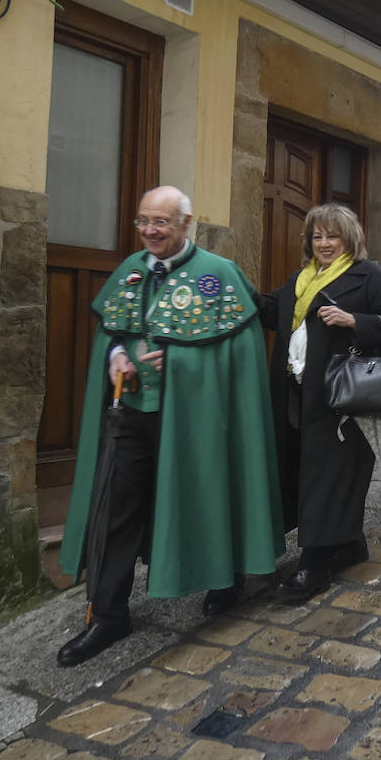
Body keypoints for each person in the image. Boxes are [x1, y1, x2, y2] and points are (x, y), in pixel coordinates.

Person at [57, 186, 284, 666]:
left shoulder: (220, 277)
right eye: (143, 221)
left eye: (160, 221)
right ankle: (109, 615)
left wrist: (178, 363)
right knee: (115, 509)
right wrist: (119, 356)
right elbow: (113, 333)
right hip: (133, 415)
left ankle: (227, 577)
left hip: (200, 419)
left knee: (209, 489)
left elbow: (236, 363)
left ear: (185, 223)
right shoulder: (130, 271)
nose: (150, 231)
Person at [254, 204, 381, 602]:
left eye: (331, 236)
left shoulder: (367, 275)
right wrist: (238, 297)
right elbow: (273, 310)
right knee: (310, 472)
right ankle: (350, 545)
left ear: (348, 238)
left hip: (342, 401)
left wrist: (354, 320)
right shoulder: (302, 279)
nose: (323, 243)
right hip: (299, 395)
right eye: (317, 236)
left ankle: (315, 564)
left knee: (327, 478)